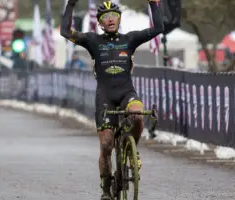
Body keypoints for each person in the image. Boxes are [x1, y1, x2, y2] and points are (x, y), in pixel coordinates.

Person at [60, 0, 164, 199]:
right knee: (106, 145)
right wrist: (71, 5)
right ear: (99, 23)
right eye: (105, 18)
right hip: (105, 97)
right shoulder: (92, 41)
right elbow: (65, 32)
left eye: (114, 16)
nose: (110, 20)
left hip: (126, 93)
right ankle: (106, 189)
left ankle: (132, 146)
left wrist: (153, 3)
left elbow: (158, 28)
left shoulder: (130, 39)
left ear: (119, 19)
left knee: (137, 115)